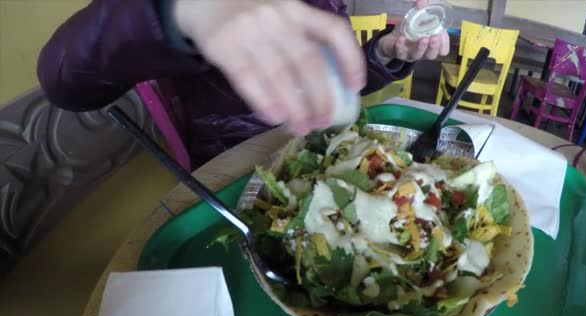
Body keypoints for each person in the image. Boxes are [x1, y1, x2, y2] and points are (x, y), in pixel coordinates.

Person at [38, 0, 450, 167]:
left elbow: (331, 86)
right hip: (234, 161)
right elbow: (64, 78)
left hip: (316, 149)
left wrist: (386, 54)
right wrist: (183, 11)